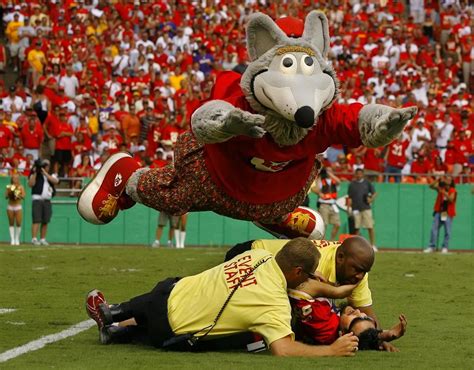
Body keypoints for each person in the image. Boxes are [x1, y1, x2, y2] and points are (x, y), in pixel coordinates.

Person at [86, 238, 359, 356]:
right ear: (298, 271)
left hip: (166, 295)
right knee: (183, 330)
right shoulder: (274, 304)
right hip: (171, 332)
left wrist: (319, 283)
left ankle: (115, 313)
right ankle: (117, 331)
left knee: (168, 291)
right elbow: (283, 350)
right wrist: (331, 350)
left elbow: (285, 276)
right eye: (308, 275)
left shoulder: (259, 255)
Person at [224, 237, 378, 324]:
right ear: (340, 258)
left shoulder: (357, 270)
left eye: (364, 271)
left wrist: (378, 336)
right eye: (357, 270)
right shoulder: (318, 262)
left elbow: (366, 313)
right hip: (251, 256)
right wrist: (335, 292)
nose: (360, 276)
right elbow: (297, 294)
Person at [27, 159, 59, 246]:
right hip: (37, 199)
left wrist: (45, 173)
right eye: (44, 165)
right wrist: (35, 173)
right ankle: (34, 238)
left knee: (45, 221)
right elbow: (30, 184)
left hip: (47, 200)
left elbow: (56, 181)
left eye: (47, 166)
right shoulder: (35, 174)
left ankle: (42, 239)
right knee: (36, 220)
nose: (46, 167)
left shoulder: (50, 174)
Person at [424, 176, 457, 253]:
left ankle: (445, 247)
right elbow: (431, 186)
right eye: (447, 179)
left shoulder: (452, 190)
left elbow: (451, 199)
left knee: (447, 230)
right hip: (439, 211)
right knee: (434, 229)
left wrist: (444, 193)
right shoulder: (441, 187)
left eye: (449, 179)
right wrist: (438, 180)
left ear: (452, 182)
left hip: (446, 212)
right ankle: (431, 246)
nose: (448, 180)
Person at [347, 169, 377, 251]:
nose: (359, 175)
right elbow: (349, 197)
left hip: (366, 208)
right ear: (355, 175)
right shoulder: (352, 184)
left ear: (363, 174)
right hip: (356, 208)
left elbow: (374, 193)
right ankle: (355, 246)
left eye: (360, 174)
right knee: (356, 228)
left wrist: (371, 199)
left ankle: (373, 245)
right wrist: (348, 208)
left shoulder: (367, 183)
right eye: (357, 174)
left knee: (370, 227)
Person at [312, 168, 341, 239]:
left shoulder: (334, 181)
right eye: (327, 171)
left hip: (333, 205)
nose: (328, 172)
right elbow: (317, 189)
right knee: (324, 225)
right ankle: (323, 240)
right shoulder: (322, 181)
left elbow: (339, 181)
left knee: (337, 224)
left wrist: (330, 174)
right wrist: (319, 176)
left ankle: (331, 240)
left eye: (330, 170)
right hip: (324, 205)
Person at [5, 174, 25, 245]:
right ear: (12, 179)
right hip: (10, 206)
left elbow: (23, 196)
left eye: (17, 178)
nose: (15, 179)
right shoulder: (9, 186)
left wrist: (18, 194)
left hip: (18, 206)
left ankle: (17, 239)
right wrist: (10, 193)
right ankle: (12, 239)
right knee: (11, 223)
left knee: (18, 223)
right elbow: (6, 196)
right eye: (14, 178)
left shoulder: (21, 187)